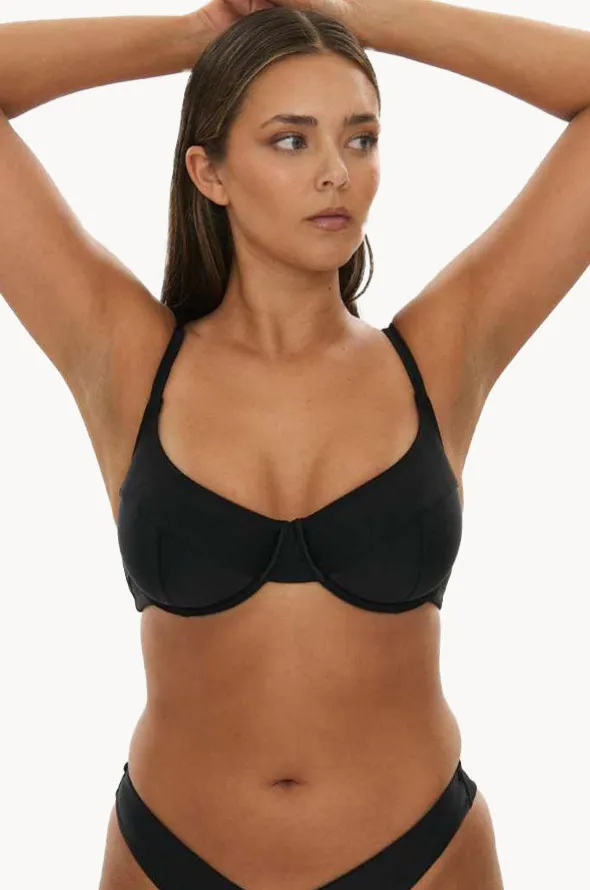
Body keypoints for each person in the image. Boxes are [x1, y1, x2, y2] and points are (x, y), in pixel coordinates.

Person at [3, 3, 589, 888]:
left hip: (424, 858)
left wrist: (359, 16)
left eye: (361, 139)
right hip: (171, 857)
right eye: (290, 140)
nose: (335, 174)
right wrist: (197, 37)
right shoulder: (128, 361)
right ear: (209, 172)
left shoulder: (440, 354)